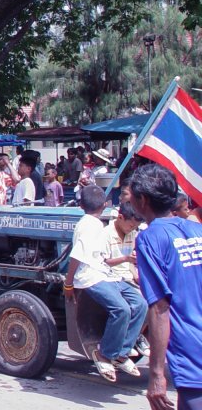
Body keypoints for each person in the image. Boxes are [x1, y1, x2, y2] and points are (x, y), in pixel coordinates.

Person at [129, 164, 202, 410]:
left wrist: (157, 374)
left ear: (143, 200)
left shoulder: (150, 239)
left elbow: (160, 308)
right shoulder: (196, 229)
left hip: (192, 354)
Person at [64, 185, 147, 383]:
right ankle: (105, 354)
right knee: (122, 310)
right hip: (90, 276)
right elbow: (76, 256)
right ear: (105, 205)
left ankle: (122, 352)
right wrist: (68, 284)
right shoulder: (89, 225)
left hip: (107, 274)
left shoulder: (97, 224)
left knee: (141, 304)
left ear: (80, 204)